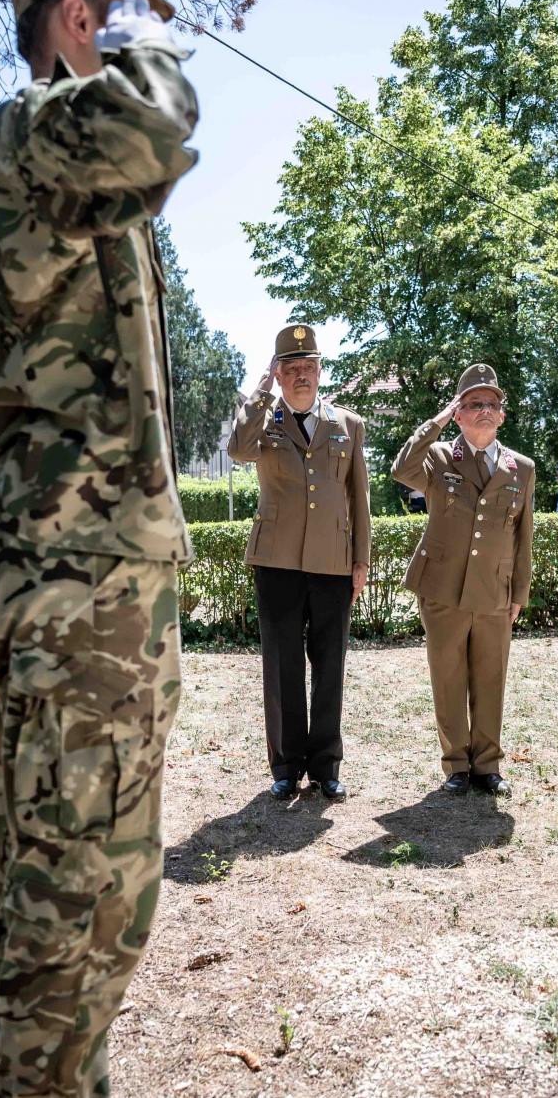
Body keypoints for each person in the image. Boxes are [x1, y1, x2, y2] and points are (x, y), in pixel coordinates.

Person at [0, 0, 197, 1098]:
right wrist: (142, 37)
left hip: (110, 584)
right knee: (62, 919)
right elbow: (155, 119)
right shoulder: (29, 138)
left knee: (111, 901)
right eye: (126, 6)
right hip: (69, 585)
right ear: (77, 17)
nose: (147, 26)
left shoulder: (80, 168)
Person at [226, 324, 371, 800]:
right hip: (277, 561)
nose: (302, 375)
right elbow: (237, 449)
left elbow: (359, 497)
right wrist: (261, 391)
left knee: (330, 666)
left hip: (333, 561)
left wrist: (361, 559)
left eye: (309, 367)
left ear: (320, 372)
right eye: (291, 369)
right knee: (282, 665)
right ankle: (286, 766)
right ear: (279, 374)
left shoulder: (347, 424)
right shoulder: (264, 420)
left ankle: (326, 766)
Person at [391, 364, 535, 798]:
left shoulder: (521, 468)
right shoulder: (437, 458)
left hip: (494, 589)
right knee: (448, 677)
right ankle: (456, 763)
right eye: (474, 404)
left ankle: (487, 765)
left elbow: (523, 537)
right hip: (443, 588)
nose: (484, 410)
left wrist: (519, 593)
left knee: (491, 678)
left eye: (492, 403)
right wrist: (436, 421)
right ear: (458, 413)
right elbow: (402, 468)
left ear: (502, 416)